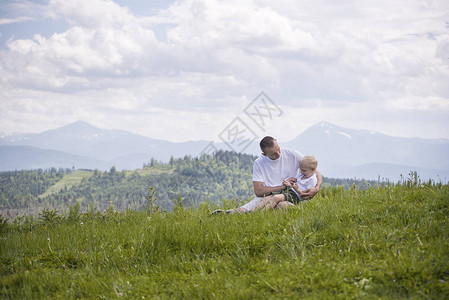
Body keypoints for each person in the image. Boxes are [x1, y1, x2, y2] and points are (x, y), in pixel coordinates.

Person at [210, 136, 322, 215]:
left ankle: (258, 216)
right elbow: (258, 191)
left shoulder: (292, 154)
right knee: (245, 210)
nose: (279, 154)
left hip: (289, 195)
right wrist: (282, 187)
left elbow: (314, 171)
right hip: (267, 195)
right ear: (264, 154)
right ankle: (226, 215)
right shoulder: (259, 163)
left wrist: (316, 188)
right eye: (273, 153)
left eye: (278, 149)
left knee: (283, 206)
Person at [253, 155, 318, 211]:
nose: (302, 172)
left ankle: (262, 213)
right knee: (269, 197)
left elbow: (305, 195)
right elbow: (294, 185)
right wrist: (289, 184)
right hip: (289, 191)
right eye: (301, 170)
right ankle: (253, 211)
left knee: (276, 197)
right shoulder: (302, 175)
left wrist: (296, 189)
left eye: (304, 170)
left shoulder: (312, 180)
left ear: (312, 169)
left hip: (295, 196)